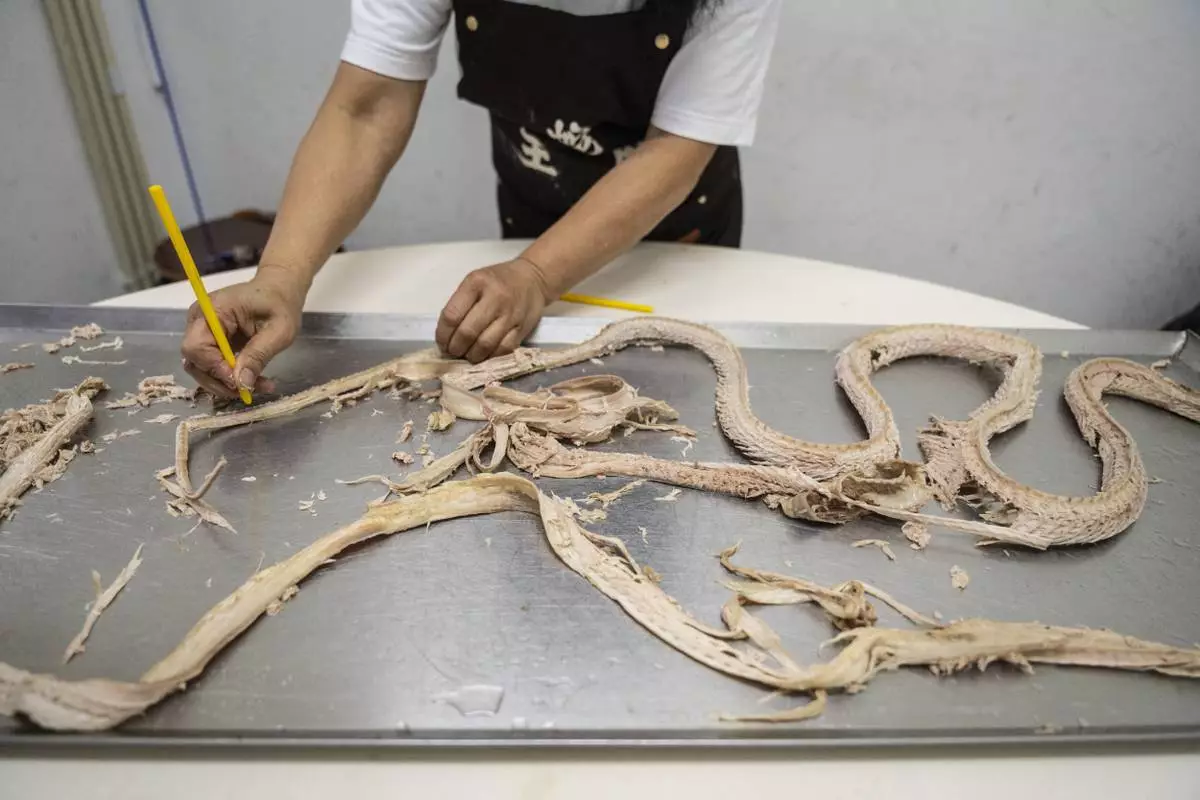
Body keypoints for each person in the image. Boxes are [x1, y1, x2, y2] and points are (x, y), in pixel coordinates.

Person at [181, 0, 781, 399]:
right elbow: (366, 107)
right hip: (533, 196)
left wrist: (539, 273)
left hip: (674, 235)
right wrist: (282, 275)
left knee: (682, 402)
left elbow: (676, 148)